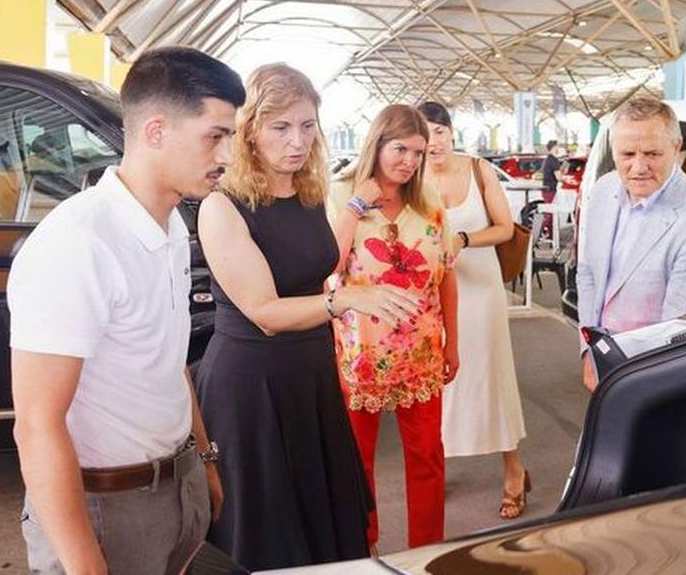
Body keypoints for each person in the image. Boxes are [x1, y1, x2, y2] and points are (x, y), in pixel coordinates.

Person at [8, 47, 245, 575]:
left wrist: (202, 460)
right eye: (215, 135)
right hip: (102, 504)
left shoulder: (174, 226)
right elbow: (36, 424)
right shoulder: (78, 241)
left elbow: (168, 358)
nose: (227, 155)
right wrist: (83, 563)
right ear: (155, 131)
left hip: (174, 486)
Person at [194, 64, 415, 569]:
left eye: (307, 126)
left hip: (311, 375)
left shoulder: (309, 194)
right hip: (252, 389)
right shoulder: (222, 205)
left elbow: (319, 268)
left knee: (319, 520)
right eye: (281, 127)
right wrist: (346, 300)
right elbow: (265, 312)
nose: (297, 141)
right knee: (269, 529)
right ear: (249, 130)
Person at [328, 104, 459, 549]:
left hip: (421, 352)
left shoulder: (429, 203)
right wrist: (355, 205)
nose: (409, 161)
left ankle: (427, 553)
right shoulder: (340, 193)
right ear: (377, 144)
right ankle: (364, 548)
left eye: (418, 152)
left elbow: (446, 278)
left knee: (427, 457)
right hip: (359, 354)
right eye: (400, 148)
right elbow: (326, 266)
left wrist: (452, 344)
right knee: (357, 462)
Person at [420, 101, 531, 520]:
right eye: (426, 134)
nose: (435, 142)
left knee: (489, 378)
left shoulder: (479, 169)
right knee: (439, 384)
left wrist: (463, 239)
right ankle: (436, 468)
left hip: (480, 289)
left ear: (452, 133)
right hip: (432, 293)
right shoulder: (410, 176)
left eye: (441, 131)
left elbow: (504, 227)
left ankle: (514, 470)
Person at [576, 96, 686, 391]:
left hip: (655, 375)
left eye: (652, 154)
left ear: (676, 148)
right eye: (627, 154)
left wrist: (631, 382)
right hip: (604, 363)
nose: (638, 167)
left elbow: (681, 331)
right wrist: (589, 353)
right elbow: (588, 274)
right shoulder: (604, 190)